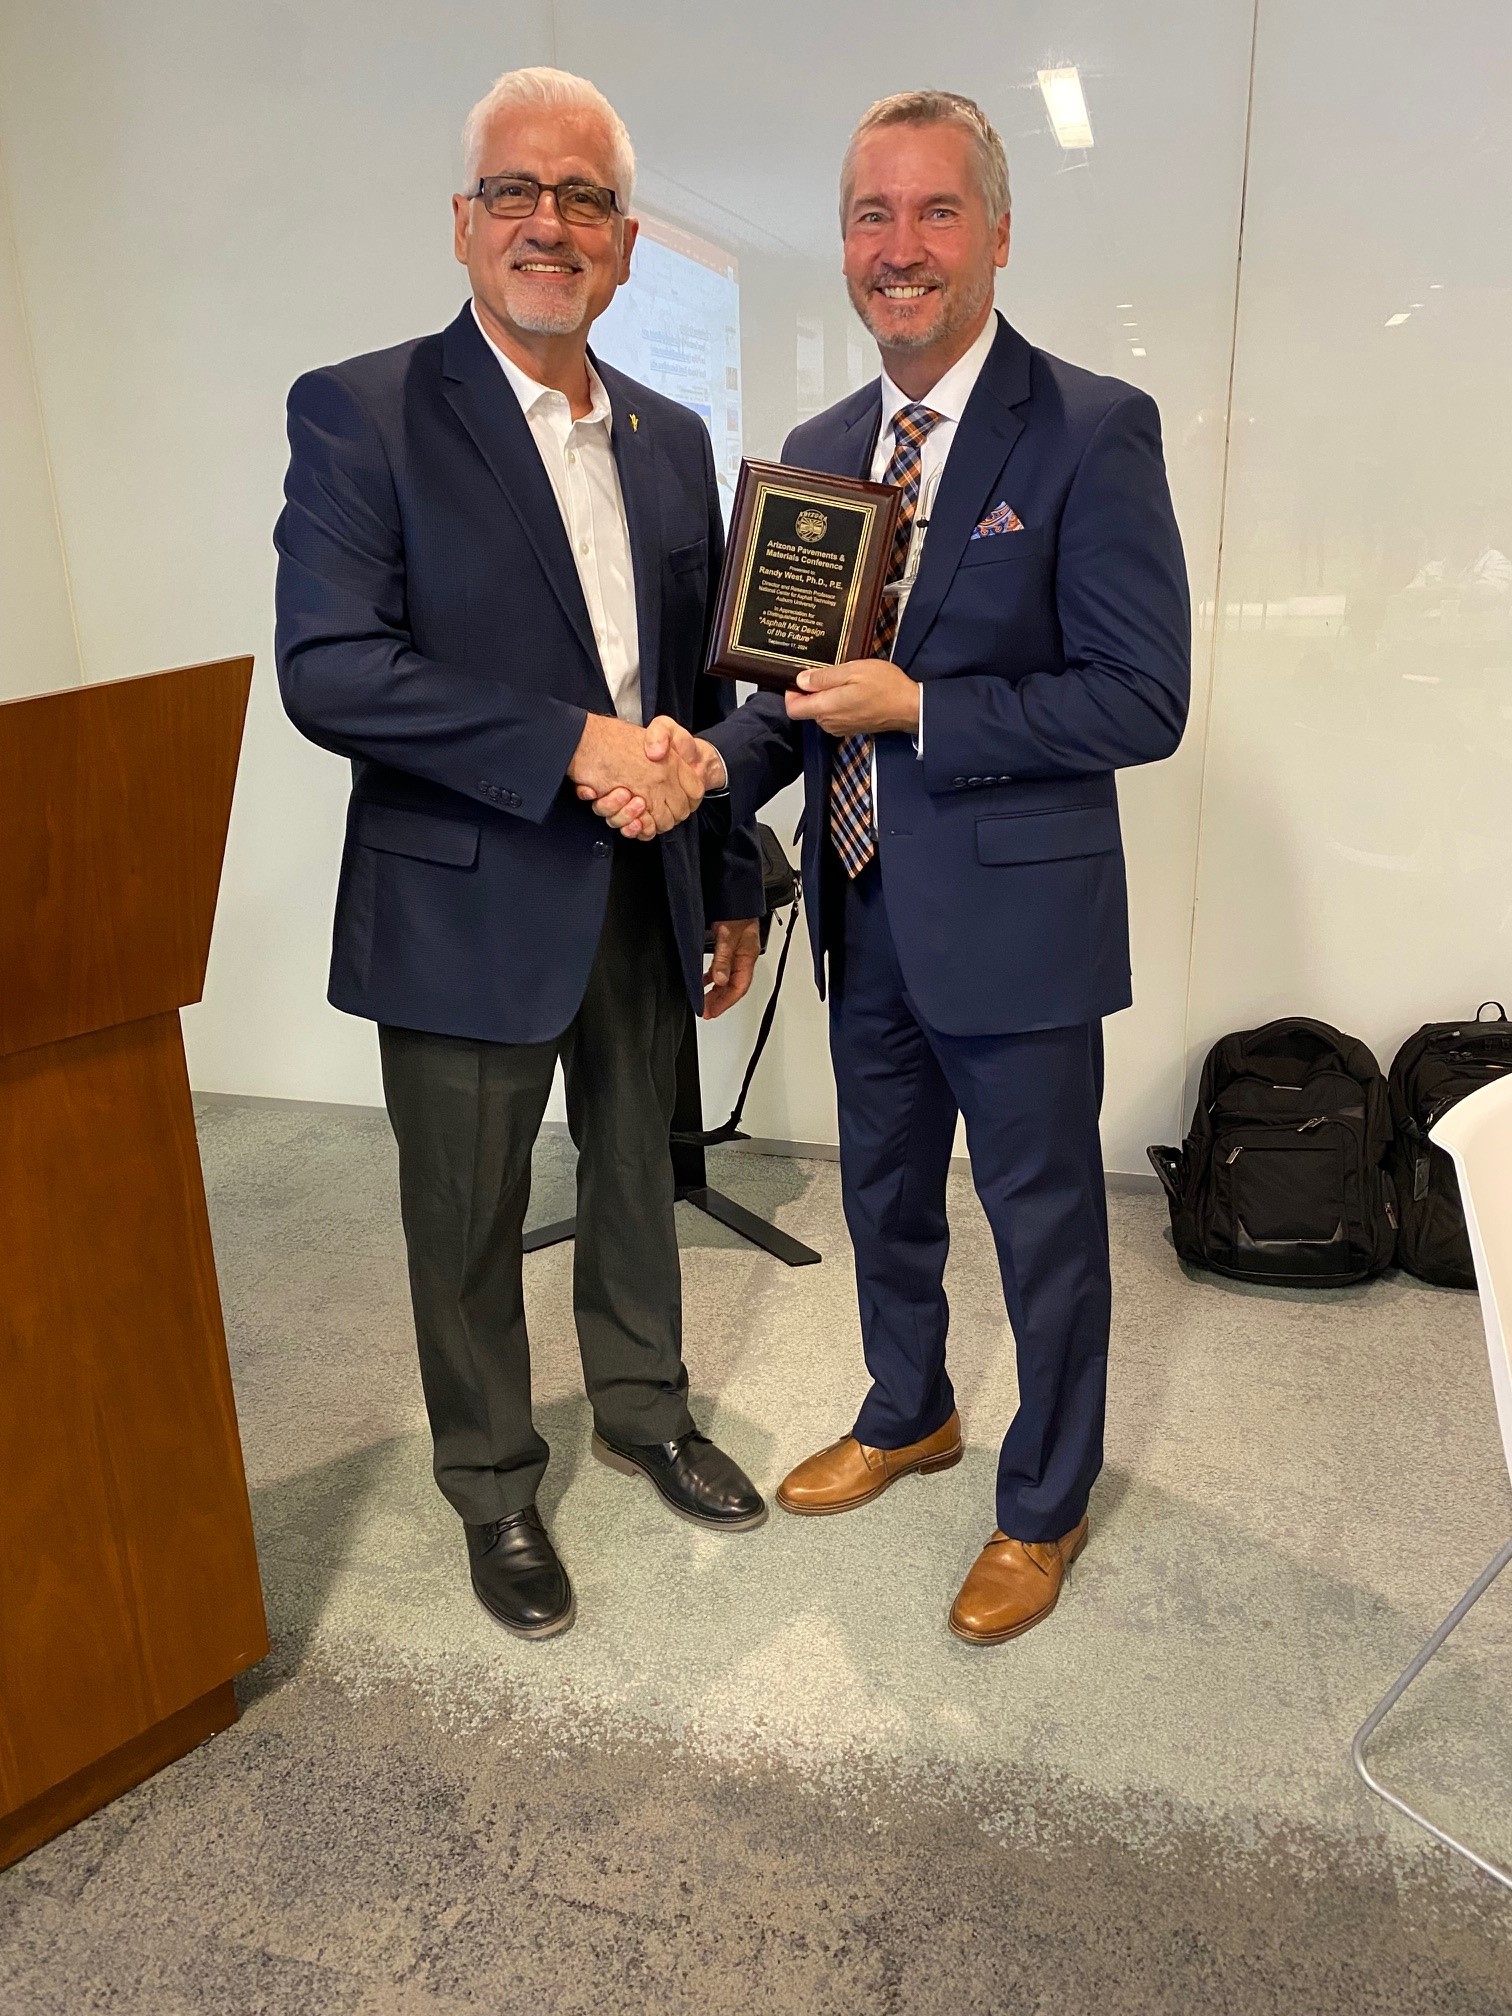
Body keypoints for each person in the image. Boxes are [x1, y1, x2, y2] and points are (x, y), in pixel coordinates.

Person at [589, 90, 1190, 1645]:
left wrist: (925, 709)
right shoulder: (820, 453)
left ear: (998, 234)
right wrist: (707, 761)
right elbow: (792, 697)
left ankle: (1044, 1504)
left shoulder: (1091, 429)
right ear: (847, 243)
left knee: (1044, 1225)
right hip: (864, 909)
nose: (900, 248)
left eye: (935, 213)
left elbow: (1143, 698)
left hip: (1020, 922)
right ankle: (908, 1408)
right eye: (873, 215)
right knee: (885, 1196)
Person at [274, 65, 766, 1642]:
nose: (548, 224)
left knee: (637, 1170)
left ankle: (645, 1411)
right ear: (465, 222)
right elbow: (331, 670)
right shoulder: (363, 411)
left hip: (644, 879)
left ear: (625, 240)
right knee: (467, 1211)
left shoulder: (674, 437)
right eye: (515, 192)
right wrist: (567, 743)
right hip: (463, 896)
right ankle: (492, 1483)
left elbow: (702, 687)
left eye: (583, 199)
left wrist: (733, 875)